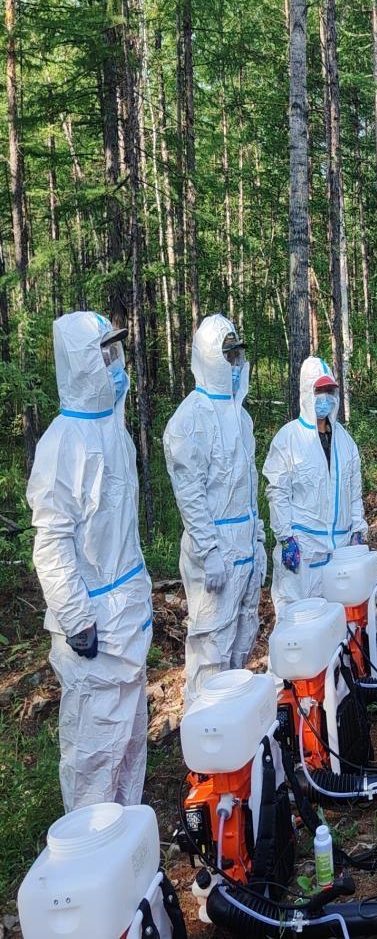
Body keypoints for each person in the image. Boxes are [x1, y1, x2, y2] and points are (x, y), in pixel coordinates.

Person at [27, 312, 153, 811]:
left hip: (127, 619)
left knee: (129, 745)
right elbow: (52, 542)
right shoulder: (61, 443)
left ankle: (127, 842)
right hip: (94, 628)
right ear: (81, 362)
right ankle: (93, 847)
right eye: (102, 354)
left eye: (114, 352)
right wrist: (77, 618)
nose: (113, 364)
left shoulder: (115, 432)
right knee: (94, 754)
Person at [163, 315, 265, 711]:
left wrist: (257, 540)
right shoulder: (190, 420)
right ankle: (205, 731)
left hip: (244, 547)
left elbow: (247, 488)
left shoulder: (241, 417)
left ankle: (232, 726)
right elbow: (190, 494)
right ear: (208, 357)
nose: (235, 364)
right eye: (227, 355)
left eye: (238, 355)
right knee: (211, 647)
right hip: (216, 553)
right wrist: (209, 551)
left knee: (241, 638)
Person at [263, 357, 368, 616]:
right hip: (304, 553)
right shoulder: (289, 439)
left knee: (339, 623)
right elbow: (277, 492)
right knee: (298, 624)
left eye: (330, 391)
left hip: (340, 554)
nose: (325, 398)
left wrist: (357, 529)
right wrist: (286, 538)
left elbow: (354, 493)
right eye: (319, 391)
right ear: (307, 393)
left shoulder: (345, 442)